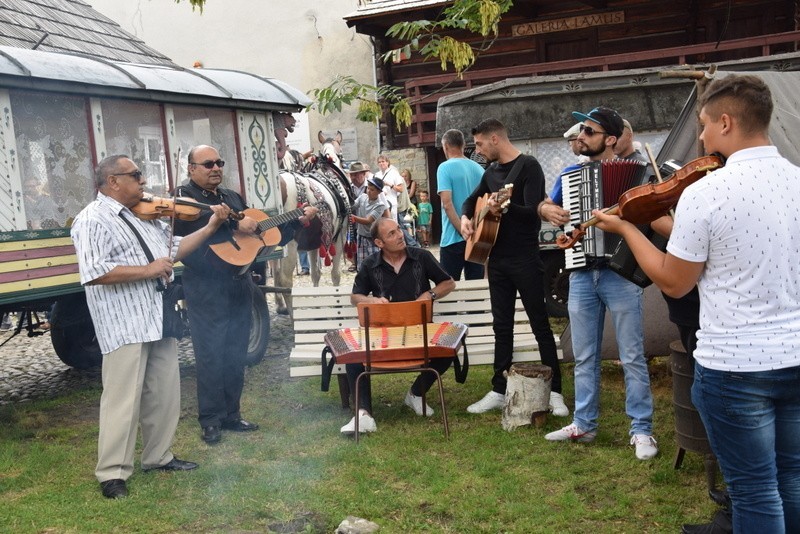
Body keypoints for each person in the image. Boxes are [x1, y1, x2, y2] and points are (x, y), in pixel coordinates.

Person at [593, 74, 800, 533]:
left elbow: (674, 283)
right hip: (796, 354)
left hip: (736, 364)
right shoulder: (797, 180)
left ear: (726, 122)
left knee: (754, 490)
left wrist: (627, 229)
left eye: (705, 124)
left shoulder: (707, 191)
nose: (701, 136)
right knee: (793, 479)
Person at [71, 155, 232, 499]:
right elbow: (95, 271)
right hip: (124, 322)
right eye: (136, 175)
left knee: (164, 392)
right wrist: (148, 270)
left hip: (158, 314)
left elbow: (171, 251)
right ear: (113, 181)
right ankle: (112, 473)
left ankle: (158, 456)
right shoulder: (91, 219)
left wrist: (209, 228)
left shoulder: (145, 215)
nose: (144, 182)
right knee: (122, 399)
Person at [174, 145, 317, 445]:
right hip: (205, 285)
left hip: (240, 282)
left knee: (236, 351)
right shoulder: (184, 200)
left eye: (219, 162)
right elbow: (199, 224)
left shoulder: (232, 197)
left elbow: (259, 234)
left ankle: (231, 414)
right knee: (210, 353)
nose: (215, 168)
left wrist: (296, 222)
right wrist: (235, 221)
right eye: (208, 163)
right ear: (191, 168)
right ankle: (210, 419)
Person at [541, 107, 658, 460]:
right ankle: (584, 423)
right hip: (580, 272)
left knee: (632, 355)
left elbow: (649, 219)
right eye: (581, 131)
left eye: (589, 132)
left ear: (609, 139)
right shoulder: (570, 173)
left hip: (620, 273)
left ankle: (641, 430)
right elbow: (549, 204)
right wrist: (545, 211)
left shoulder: (639, 173)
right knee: (585, 354)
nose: (581, 136)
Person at [460, 118, 567, 418]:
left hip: (525, 258)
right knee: (501, 326)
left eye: (480, 143)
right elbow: (471, 200)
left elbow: (533, 213)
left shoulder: (529, 166)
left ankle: (555, 390)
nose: (478, 150)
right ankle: (498, 388)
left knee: (540, 327)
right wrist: (468, 217)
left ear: (495, 138)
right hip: (497, 260)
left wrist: (504, 208)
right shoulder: (490, 172)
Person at [344, 217, 456, 434]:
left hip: (418, 329)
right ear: (379, 243)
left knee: (448, 351)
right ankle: (364, 414)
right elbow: (355, 297)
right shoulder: (370, 264)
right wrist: (371, 301)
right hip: (383, 331)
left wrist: (430, 294)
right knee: (355, 357)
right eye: (391, 234)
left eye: (398, 230)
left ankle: (416, 394)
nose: (399, 236)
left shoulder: (421, 256)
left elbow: (448, 282)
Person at [436, 128, 485, 280]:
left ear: (445, 146)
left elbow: (447, 204)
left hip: (453, 237)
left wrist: (462, 230)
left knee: (449, 286)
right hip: (477, 236)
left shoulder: (444, 167)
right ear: (463, 145)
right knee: (476, 286)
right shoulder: (479, 168)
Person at [350, 176, 387, 266]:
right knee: (362, 263)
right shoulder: (362, 197)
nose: (369, 191)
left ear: (379, 192)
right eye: (368, 189)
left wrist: (351, 217)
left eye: (372, 190)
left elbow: (368, 220)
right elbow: (352, 206)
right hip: (361, 235)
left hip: (372, 238)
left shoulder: (380, 205)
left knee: (374, 262)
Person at [374, 154, 403, 220]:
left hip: (391, 202)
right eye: (379, 162)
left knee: (392, 223)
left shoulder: (394, 173)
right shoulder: (376, 175)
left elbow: (401, 189)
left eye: (383, 161)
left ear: (387, 162)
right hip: (379, 203)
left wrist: (390, 185)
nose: (381, 163)